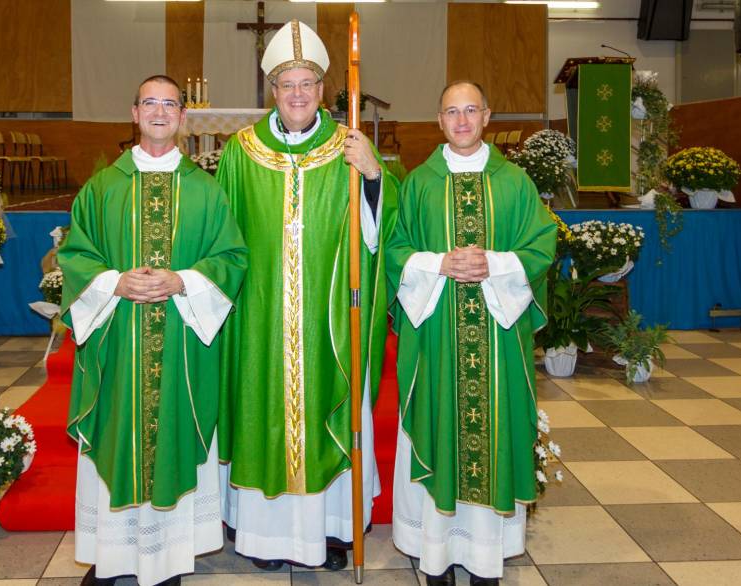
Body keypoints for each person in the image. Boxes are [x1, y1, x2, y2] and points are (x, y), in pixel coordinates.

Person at [214, 19, 399, 571]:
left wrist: (372, 179)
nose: (297, 94)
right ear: (272, 90)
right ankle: (265, 539)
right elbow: (222, 235)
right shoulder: (241, 152)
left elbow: (386, 233)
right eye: (286, 84)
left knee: (329, 407)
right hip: (261, 316)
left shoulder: (349, 147)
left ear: (323, 91)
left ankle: (333, 529)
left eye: (308, 83)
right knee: (262, 410)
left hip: (329, 319)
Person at [57, 74, 248, 586]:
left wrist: (182, 279)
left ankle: (169, 555)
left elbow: (231, 258)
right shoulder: (102, 188)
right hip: (118, 341)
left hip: (182, 343)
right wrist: (113, 282)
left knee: (174, 434)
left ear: (183, 118)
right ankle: (112, 553)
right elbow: (75, 256)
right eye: (150, 103)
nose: (160, 111)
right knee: (119, 431)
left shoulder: (207, 191)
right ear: (134, 113)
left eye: (170, 104)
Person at [386, 81, 556, 586]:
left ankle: (485, 557)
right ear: (439, 121)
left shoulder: (515, 183)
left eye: (470, 111)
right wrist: (439, 262)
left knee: (494, 427)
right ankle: (432, 554)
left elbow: (541, 247)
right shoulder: (419, 183)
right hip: (437, 335)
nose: (461, 121)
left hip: (496, 339)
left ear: (487, 116)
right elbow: (394, 252)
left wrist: (494, 263)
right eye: (450, 113)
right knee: (438, 421)